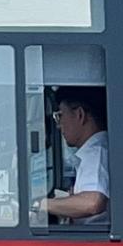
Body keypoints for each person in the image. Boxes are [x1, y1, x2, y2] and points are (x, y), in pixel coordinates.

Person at [40, 87, 111, 230]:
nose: (58, 126)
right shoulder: (96, 150)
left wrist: (42, 205)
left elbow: (92, 202)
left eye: (60, 116)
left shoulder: (96, 152)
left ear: (80, 115)